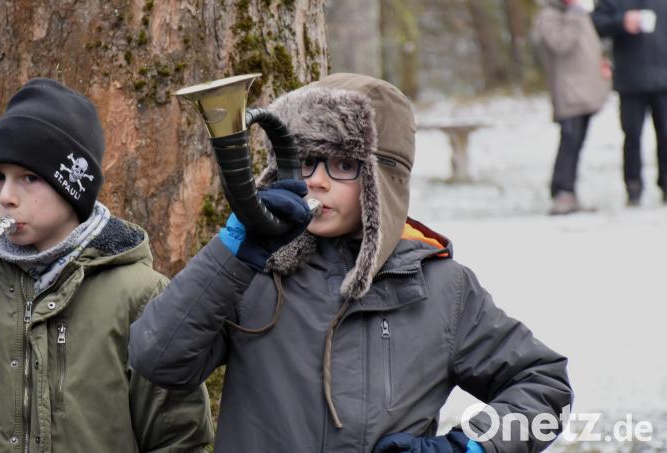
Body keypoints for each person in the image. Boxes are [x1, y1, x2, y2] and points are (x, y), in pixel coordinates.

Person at [129, 73, 573, 452]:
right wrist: (231, 252)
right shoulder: (251, 274)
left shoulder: (444, 288)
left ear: (384, 183)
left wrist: (466, 446)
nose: (317, 180)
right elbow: (157, 359)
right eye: (304, 161)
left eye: (343, 164)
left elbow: (545, 386)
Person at [0, 78, 212, 452]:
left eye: (29, 178)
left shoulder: (141, 295)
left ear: (73, 188)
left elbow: (180, 440)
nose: (6, 197)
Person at [533, 0, 610, 215]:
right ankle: (562, 193)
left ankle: (569, 193)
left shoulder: (576, 13)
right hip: (569, 92)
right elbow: (561, 44)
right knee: (569, 143)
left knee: (576, 144)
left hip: (585, 91)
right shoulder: (549, 15)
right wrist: (575, 15)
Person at [593, 0, 667, 206]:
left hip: (664, 80)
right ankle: (633, 187)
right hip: (630, 81)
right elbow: (596, 24)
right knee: (632, 136)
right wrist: (621, 22)